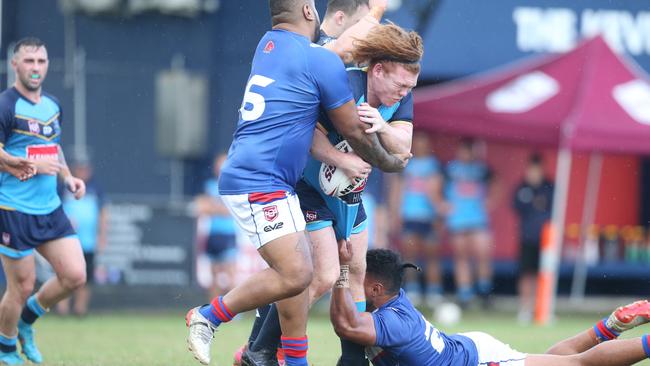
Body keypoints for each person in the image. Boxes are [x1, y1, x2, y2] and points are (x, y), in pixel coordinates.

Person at [185, 1, 408, 365]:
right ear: (308, 10)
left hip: (271, 179)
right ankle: (208, 317)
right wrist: (389, 162)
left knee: (300, 276)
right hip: (259, 180)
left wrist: (376, 13)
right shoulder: (319, 60)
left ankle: (277, 358)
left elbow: (340, 46)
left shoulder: (269, 45)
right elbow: (352, 127)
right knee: (299, 273)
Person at [240, 22, 422, 366]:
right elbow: (307, 137)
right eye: (400, 83)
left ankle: (351, 360)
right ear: (378, 70)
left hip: (349, 193)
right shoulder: (345, 83)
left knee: (355, 269)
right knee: (323, 275)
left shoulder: (400, 98)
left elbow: (404, 146)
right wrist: (343, 161)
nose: (404, 92)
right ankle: (260, 348)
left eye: (410, 86)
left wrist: (381, 125)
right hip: (308, 188)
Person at [331, 247, 650, 366]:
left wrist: (340, 271)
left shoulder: (394, 321)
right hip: (470, 349)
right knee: (553, 361)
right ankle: (610, 327)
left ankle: (641, 341)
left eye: (360, 278)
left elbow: (346, 325)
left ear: (375, 288)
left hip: (480, 361)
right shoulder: (391, 302)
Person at [0, 37, 87, 365]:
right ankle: (6, 348)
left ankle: (25, 322)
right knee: (20, 287)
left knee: (75, 276)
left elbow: (54, 148)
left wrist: (67, 177)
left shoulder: (52, 105)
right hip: (13, 209)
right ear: (15, 65)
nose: (35, 68)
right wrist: (19, 164)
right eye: (28, 61)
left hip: (49, 207)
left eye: (41, 61)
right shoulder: (6, 105)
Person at [388, 131, 444, 307]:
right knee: (410, 254)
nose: (420, 146)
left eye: (423, 143)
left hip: (428, 216)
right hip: (409, 215)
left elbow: (439, 191)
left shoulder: (435, 166)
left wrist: (439, 215)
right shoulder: (406, 163)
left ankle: (434, 291)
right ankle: (412, 289)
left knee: (432, 255)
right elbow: (397, 190)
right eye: (417, 143)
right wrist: (395, 214)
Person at [444, 138, 496, 308]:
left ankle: (485, 290)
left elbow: (497, 183)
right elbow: (434, 185)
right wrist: (441, 204)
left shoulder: (482, 169)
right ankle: (464, 294)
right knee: (461, 256)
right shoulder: (450, 169)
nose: (466, 154)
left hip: (478, 219)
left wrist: (491, 201)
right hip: (458, 219)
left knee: (483, 254)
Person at [56, 157, 108, 317]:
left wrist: (102, 236)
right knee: (64, 274)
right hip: (66, 240)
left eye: (85, 169)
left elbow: (103, 213)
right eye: (79, 168)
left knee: (86, 277)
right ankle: (62, 309)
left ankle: (80, 309)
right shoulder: (63, 187)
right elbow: (53, 208)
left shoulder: (95, 188)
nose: (83, 172)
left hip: (88, 242)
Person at [513, 153, 554, 324]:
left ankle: (542, 309)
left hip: (547, 240)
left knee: (544, 274)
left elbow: (554, 208)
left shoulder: (549, 187)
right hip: (527, 237)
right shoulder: (522, 188)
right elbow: (517, 207)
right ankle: (524, 309)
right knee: (526, 274)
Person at [194, 153, 238, 300]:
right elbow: (201, 207)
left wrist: (214, 207)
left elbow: (231, 210)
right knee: (214, 275)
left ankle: (234, 311)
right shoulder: (210, 185)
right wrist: (219, 208)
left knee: (230, 273)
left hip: (228, 234)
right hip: (213, 235)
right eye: (218, 164)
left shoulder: (235, 185)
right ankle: (213, 310)